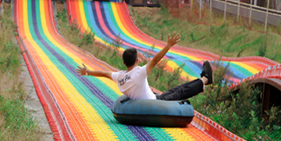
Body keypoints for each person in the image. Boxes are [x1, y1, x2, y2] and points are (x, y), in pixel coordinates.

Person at [76, 32, 214, 101]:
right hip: (155, 104)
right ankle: (206, 79)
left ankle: (203, 79)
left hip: (153, 98)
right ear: (137, 61)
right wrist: (168, 45)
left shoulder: (120, 76)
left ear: (124, 63)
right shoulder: (139, 73)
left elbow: (104, 73)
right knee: (181, 92)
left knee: (175, 89)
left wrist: (88, 72)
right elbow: (154, 60)